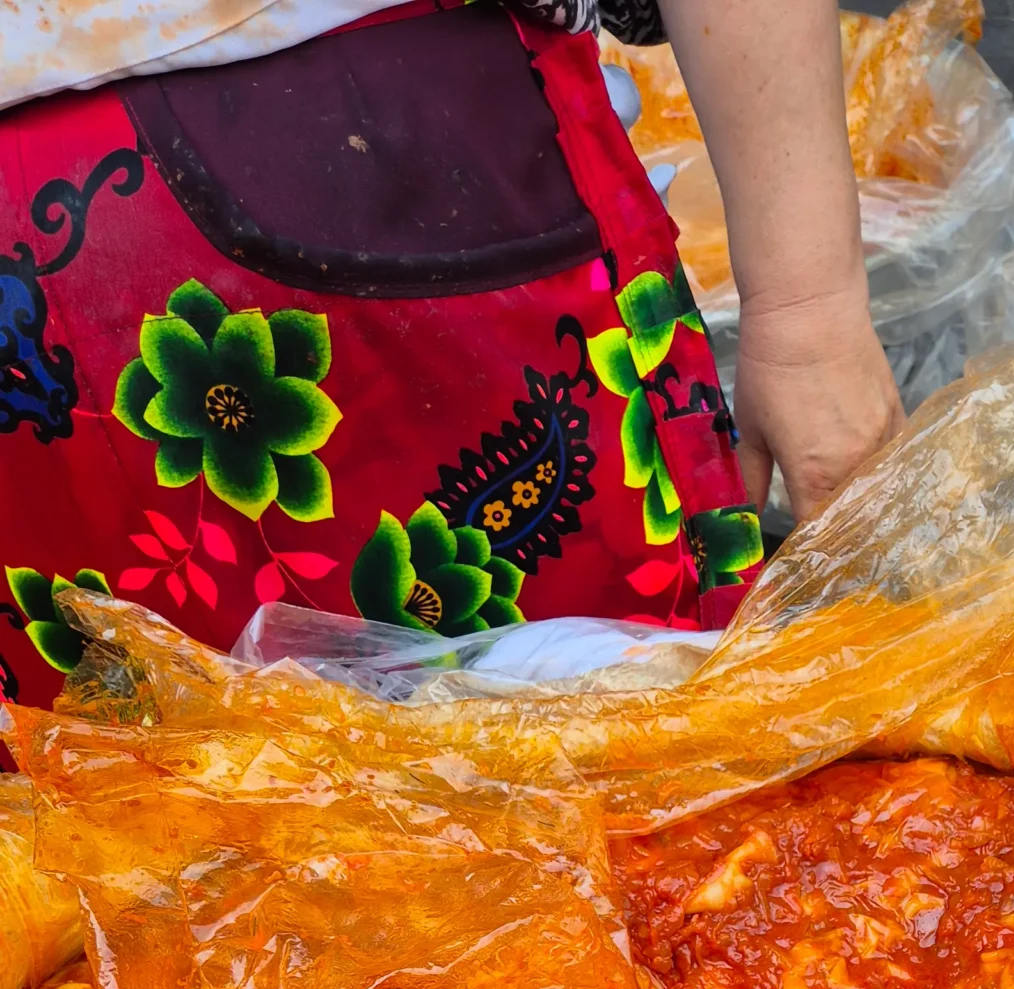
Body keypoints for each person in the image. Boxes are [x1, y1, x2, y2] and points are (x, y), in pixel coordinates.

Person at [0, 0, 904, 702]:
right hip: (358, 170)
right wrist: (807, 305)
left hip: (357, 178)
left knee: (635, 827)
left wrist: (807, 306)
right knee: (98, 872)